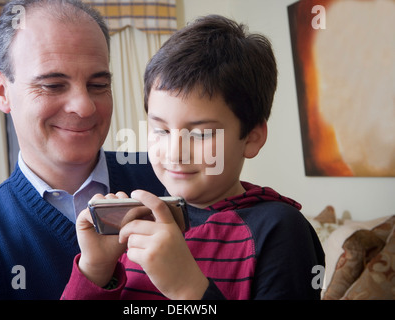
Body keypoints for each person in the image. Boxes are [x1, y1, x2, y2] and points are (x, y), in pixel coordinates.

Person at [61, 15, 325, 300]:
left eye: (200, 134)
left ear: (252, 137)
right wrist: (96, 268)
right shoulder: (142, 218)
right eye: (160, 129)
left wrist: (187, 288)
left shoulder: (281, 229)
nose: (175, 152)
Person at [0, 0, 164, 300]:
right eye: (53, 85)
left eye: (98, 84)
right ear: (1, 91)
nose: (84, 106)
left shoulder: (171, 178)